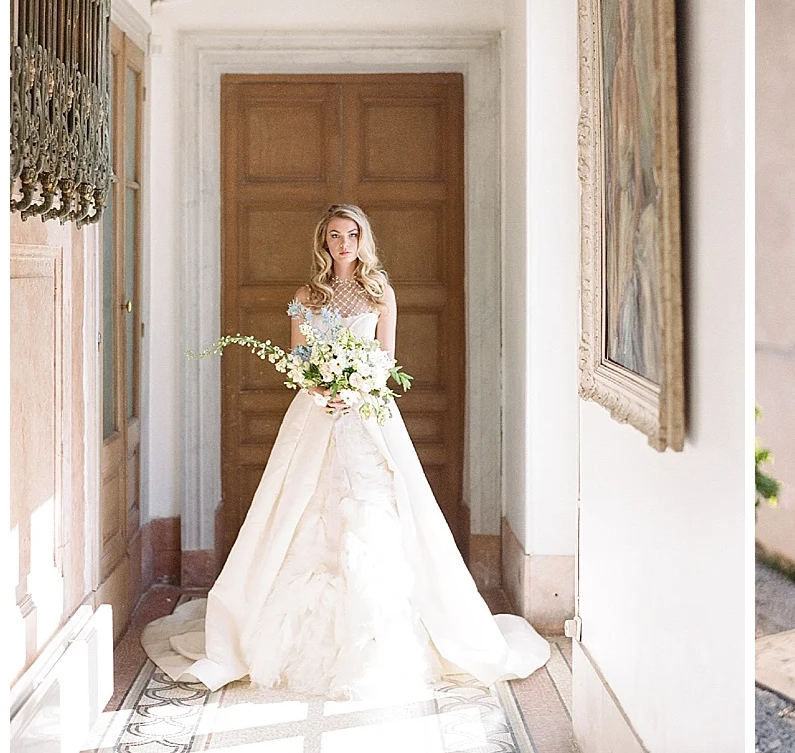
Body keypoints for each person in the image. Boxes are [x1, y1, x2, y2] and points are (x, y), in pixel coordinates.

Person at [143, 204, 548, 699]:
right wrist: (318, 389)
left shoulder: (381, 293)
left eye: (351, 234)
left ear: (363, 239)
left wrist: (357, 391)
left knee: (372, 511)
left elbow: (386, 359)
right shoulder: (304, 296)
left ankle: (379, 637)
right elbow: (296, 358)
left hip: (366, 412)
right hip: (315, 412)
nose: (343, 243)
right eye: (335, 235)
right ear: (324, 242)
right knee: (300, 507)